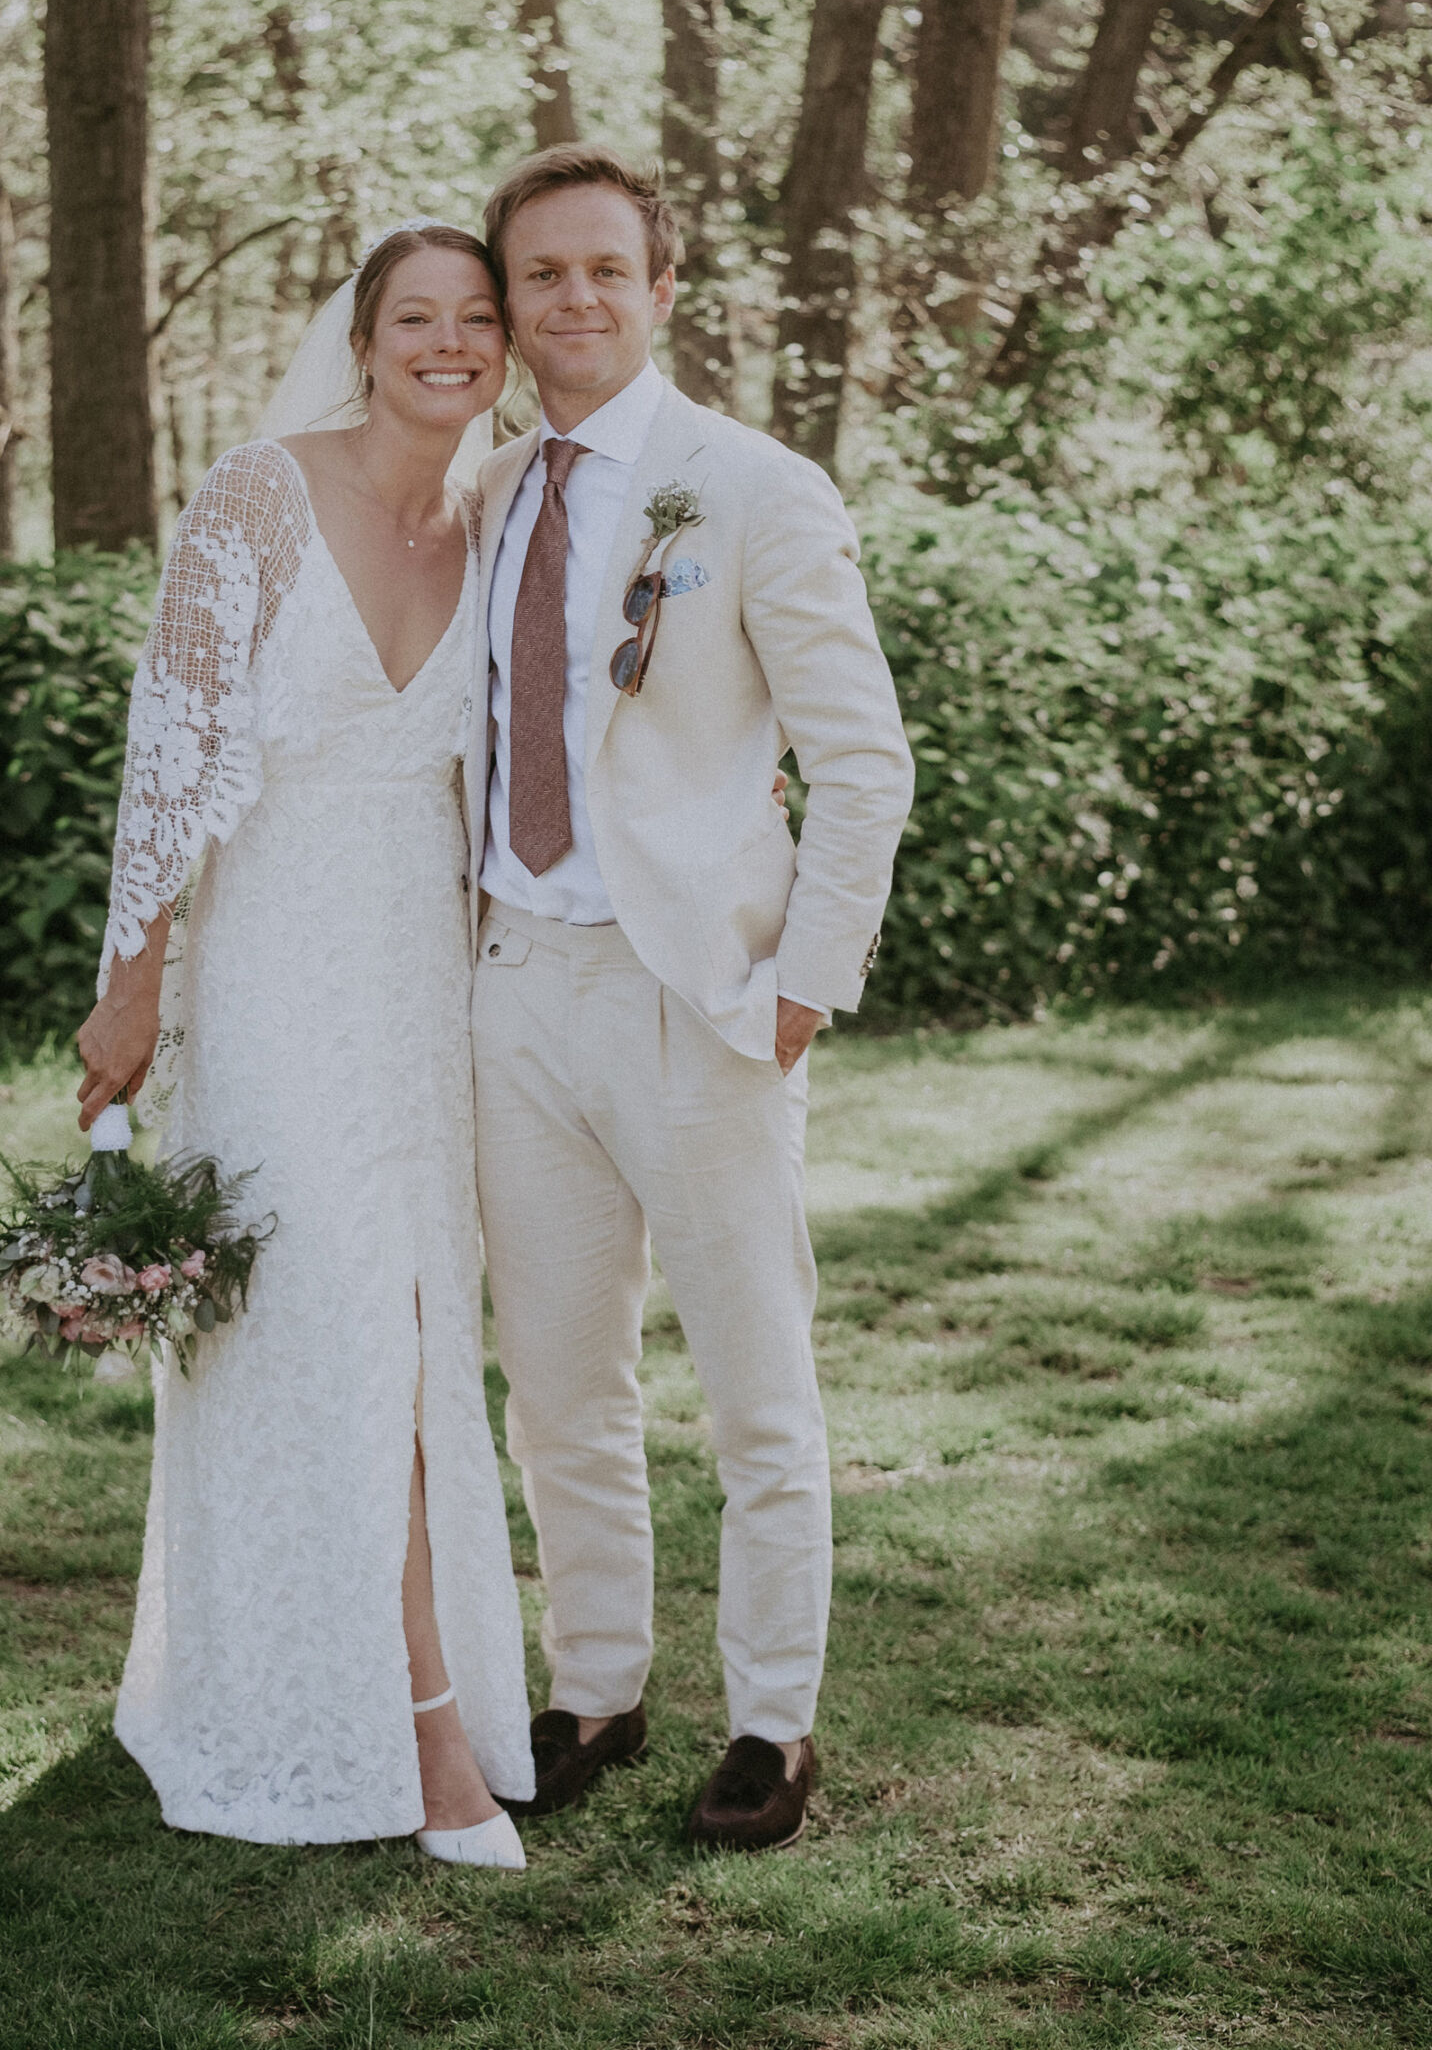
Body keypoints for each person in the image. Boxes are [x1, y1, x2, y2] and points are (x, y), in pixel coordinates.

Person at [466, 146, 915, 1851]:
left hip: (700, 1003)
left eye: (604, 270)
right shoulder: (491, 488)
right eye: (540, 276)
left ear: (661, 290)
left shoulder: (751, 485)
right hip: (515, 990)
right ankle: (595, 1685)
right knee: (559, 1381)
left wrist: (803, 986)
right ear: (507, 303)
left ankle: (773, 1721)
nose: (571, 300)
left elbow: (865, 763)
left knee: (752, 1380)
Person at [78, 222, 534, 1866]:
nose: (449, 342)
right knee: (324, 1323)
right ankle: (419, 1738)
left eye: (476, 318)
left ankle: (355, 1684)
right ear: (362, 338)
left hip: (423, 975)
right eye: (416, 316)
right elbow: (170, 758)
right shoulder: (258, 495)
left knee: (415, 1325)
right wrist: (134, 988)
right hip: (274, 960)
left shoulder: (497, 509)